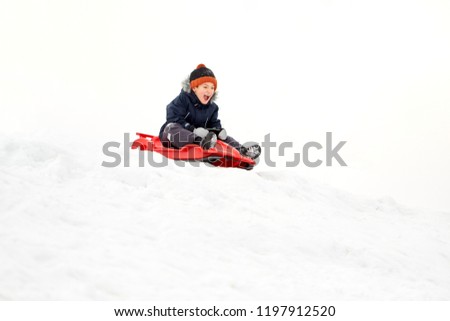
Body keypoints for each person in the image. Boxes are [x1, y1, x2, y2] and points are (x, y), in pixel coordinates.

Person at [159, 64, 261, 159]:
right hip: (173, 138)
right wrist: (192, 130)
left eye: (212, 88)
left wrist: (218, 131)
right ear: (194, 88)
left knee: (223, 137)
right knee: (172, 128)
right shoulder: (182, 100)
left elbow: (214, 125)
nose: (210, 91)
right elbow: (173, 117)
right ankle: (201, 143)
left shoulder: (212, 108)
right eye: (205, 87)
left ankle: (241, 151)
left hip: (205, 138)